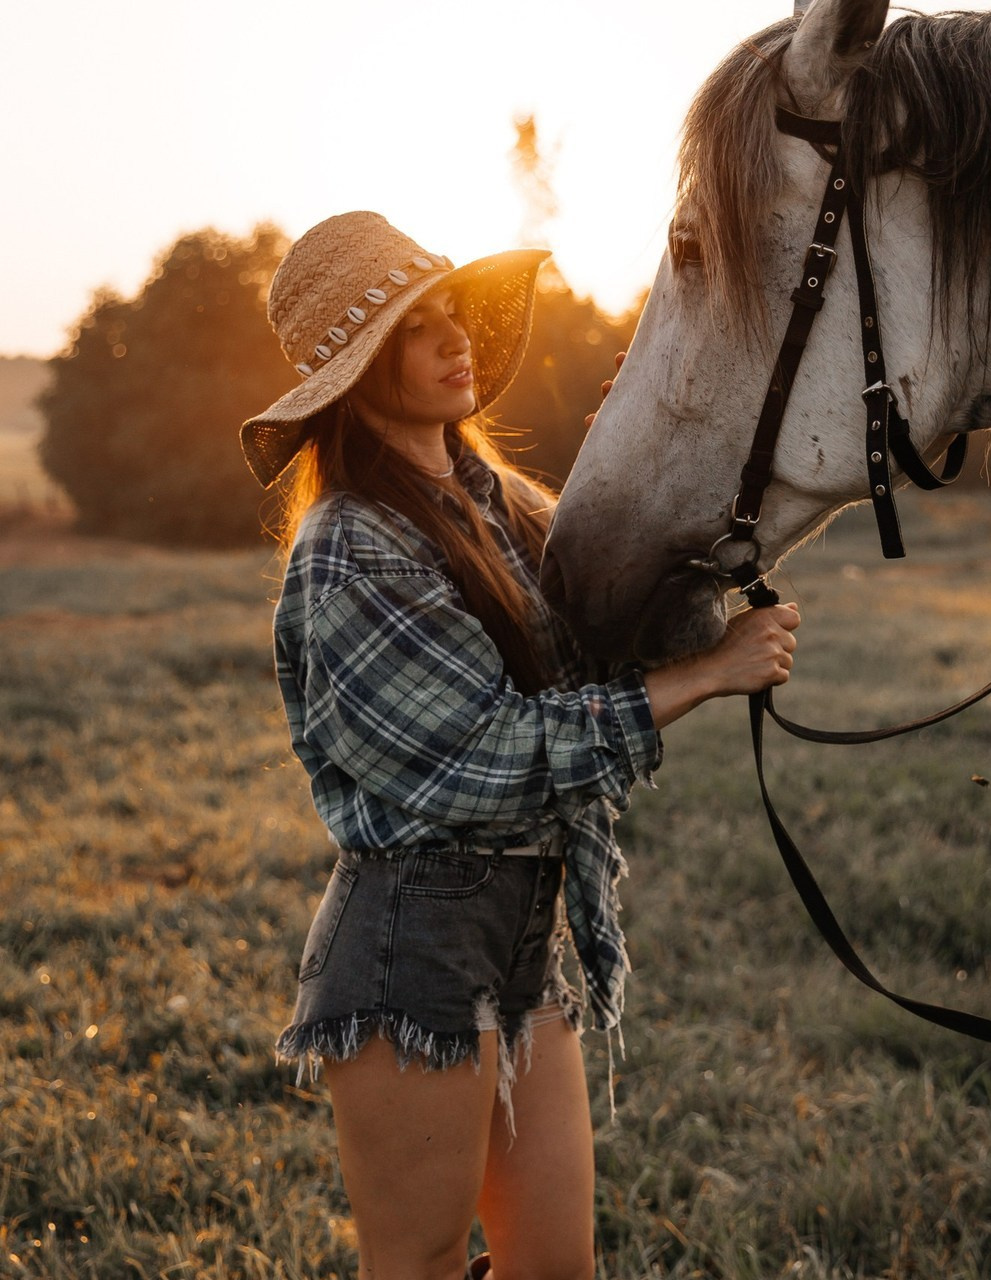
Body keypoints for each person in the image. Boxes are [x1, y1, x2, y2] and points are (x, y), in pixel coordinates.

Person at [240, 210, 801, 1280]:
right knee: (422, 1265)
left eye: (457, 315)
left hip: (523, 931)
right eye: (418, 327)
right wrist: (704, 674)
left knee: (555, 1264)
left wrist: (693, 519)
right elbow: (482, 757)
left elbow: (610, 636)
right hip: (412, 938)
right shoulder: (350, 545)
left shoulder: (507, 504)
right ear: (357, 374)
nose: (455, 339)